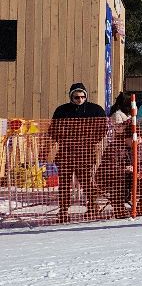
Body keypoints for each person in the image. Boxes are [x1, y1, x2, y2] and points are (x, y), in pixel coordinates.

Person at [49, 82, 107, 220]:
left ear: (86, 96)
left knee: (87, 181)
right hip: (66, 153)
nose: (79, 100)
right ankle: (63, 210)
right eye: (76, 97)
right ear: (71, 97)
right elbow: (52, 130)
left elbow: (103, 128)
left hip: (85, 153)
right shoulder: (62, 111)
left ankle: (92, 206)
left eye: (82, 97)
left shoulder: (95, 110)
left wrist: (91, 140)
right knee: (64, 183)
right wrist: (63, 138)